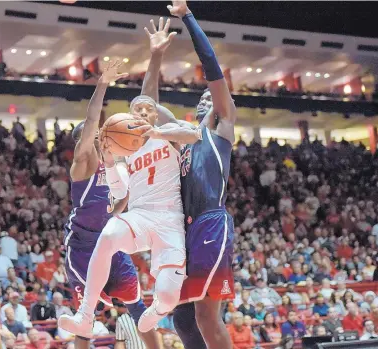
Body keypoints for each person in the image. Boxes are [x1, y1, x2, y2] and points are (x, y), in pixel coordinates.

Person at [138, 2, 237, 347]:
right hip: (182, 230)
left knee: (206, 315)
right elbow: (144, 108)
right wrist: (155, 57)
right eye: (201, 97)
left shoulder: (221, 130)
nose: (205, 98)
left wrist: (187, 17)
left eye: (212, 95)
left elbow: (212, 68)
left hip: (210, 221)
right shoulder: (182, 138)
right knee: (182, 316)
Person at [56, 61, 160, 349]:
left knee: (138, 306)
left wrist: (117, 209)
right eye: (90, 137)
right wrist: (102, 85)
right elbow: (91, 123)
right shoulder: (83, 164)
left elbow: (121, 197)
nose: (97, 135)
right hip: (83, 247)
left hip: (111, 242)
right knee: (85, 319)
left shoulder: (113, 163)